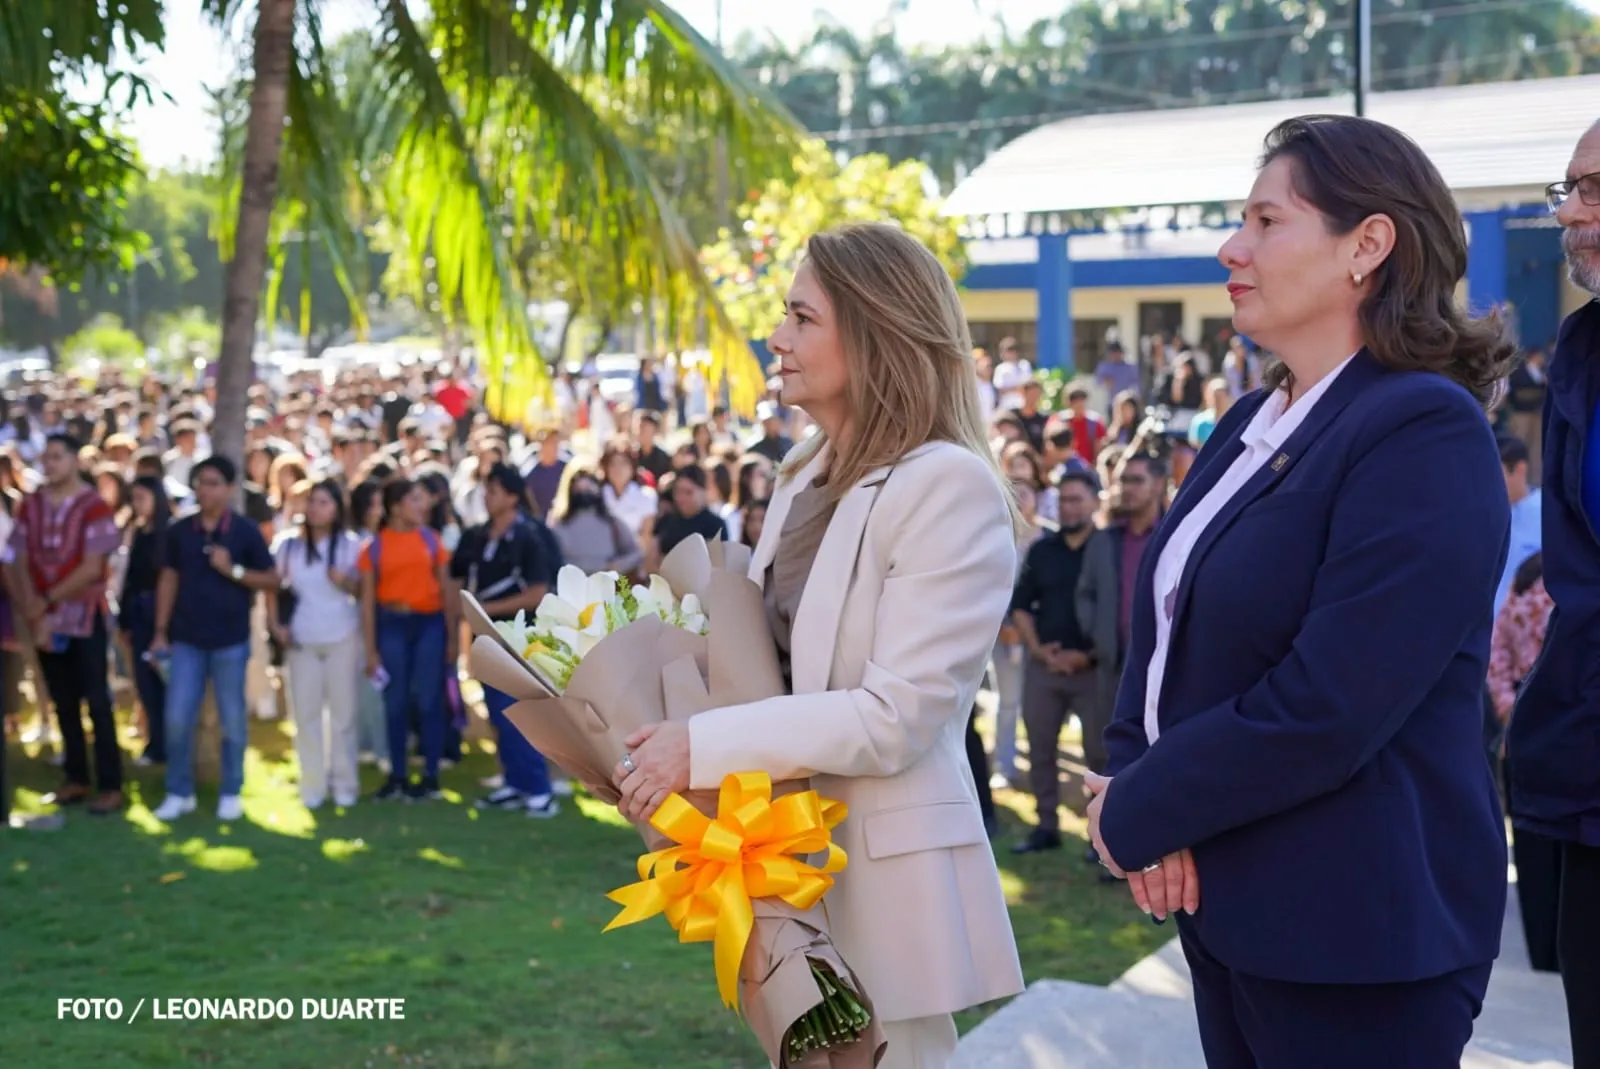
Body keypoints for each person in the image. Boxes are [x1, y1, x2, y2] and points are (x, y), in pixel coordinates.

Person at [1085, 115, 1515, 1068]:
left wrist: (1141, 809)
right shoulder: (1249, 419)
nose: (1232, 248)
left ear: (1368, 244)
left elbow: (1329, 703)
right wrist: (1141, 782)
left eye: (1267, 222)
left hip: (1356, 935)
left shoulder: (1421, 430)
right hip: (1235, 907)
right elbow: (1165, 622)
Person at [613, 223, 1024, 1069]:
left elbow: (895, 718)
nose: (776, 337)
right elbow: (768, 663)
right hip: (781, 862)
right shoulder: (804, 470)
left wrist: (699, 743)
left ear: (874, 333)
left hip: (884, 880)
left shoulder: (947, 484)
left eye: (802, 317)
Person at [1508, 116, 1600, 1068]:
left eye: (1596, 188)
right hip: (1587, 770)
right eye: (1566, 190)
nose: (1571, 213)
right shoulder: (1579, 352)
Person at [150, 456, 279, 822]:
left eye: (212, 482)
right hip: (186, 639)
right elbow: (168, 580)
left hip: (230, 641)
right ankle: (179, 791)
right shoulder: (179, 531)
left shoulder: (244, 531)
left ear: (229, 488)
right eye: (200, 482)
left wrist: (232, 570)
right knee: (177, 718)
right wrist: (160, 631)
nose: (204, 490)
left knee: (233, 719)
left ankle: (231, 791)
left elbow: (271, 579)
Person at [5, 433, 124, 814]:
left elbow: (92, 567)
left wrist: (45, 601)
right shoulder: (31, 505)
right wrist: (32, 608)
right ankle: (76, 779)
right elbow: (17, 557)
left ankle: (111, 784)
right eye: (46, 457)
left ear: (74, 460)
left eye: (57, 457)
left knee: (97, 701)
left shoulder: (93, 505)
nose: (50, 464)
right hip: (44, 620)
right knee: (63, 702)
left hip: (84, 617)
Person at [450, 464, 560, 817]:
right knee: (497, 714)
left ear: (512, 496)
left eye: (494, 490)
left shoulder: (530, 535)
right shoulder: (479, 535)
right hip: (487, 637)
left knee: (519, 714)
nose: (487, 496)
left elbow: (538, 592)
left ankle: (539, 790)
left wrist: (486, 607)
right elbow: (456, 573)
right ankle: (514, 783)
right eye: (486, 489)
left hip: (520, 637)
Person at [268, 480, 365, 810]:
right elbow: (272, 586)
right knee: (305, 715)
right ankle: (312, 785)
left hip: (342, 635)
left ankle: (344, 784)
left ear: (337, 508)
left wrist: (346, 582)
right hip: (302, 638)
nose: (315, 509)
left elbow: (365, 591)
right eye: (311, 502)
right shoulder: (288, 546)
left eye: (323, 502)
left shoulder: (351, 545)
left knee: (343, 715)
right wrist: (275, 624)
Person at [360, 477, 456, 802]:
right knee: (395, 701)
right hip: (391, 624)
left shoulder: (432, 540)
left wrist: (452, 638)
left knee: (429, 700)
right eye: (414, 499)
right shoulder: (375, 547)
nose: (422, 505)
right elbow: (368, 604)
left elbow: (446, 593)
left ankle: (430, 776)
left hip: (428, 624)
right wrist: (370, 649)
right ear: (396, 506)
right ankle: (398, 776)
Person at [119, 475, 172, 766]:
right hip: (138, 611)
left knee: (164, 682)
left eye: (142, 498)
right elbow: (130, 577)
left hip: (160, 614)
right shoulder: (137, 532)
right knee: (145, 683)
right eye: (134, 498)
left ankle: (167, 745)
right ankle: (155, 744)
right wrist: (125, 621)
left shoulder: (170, 534)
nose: (137, 504)